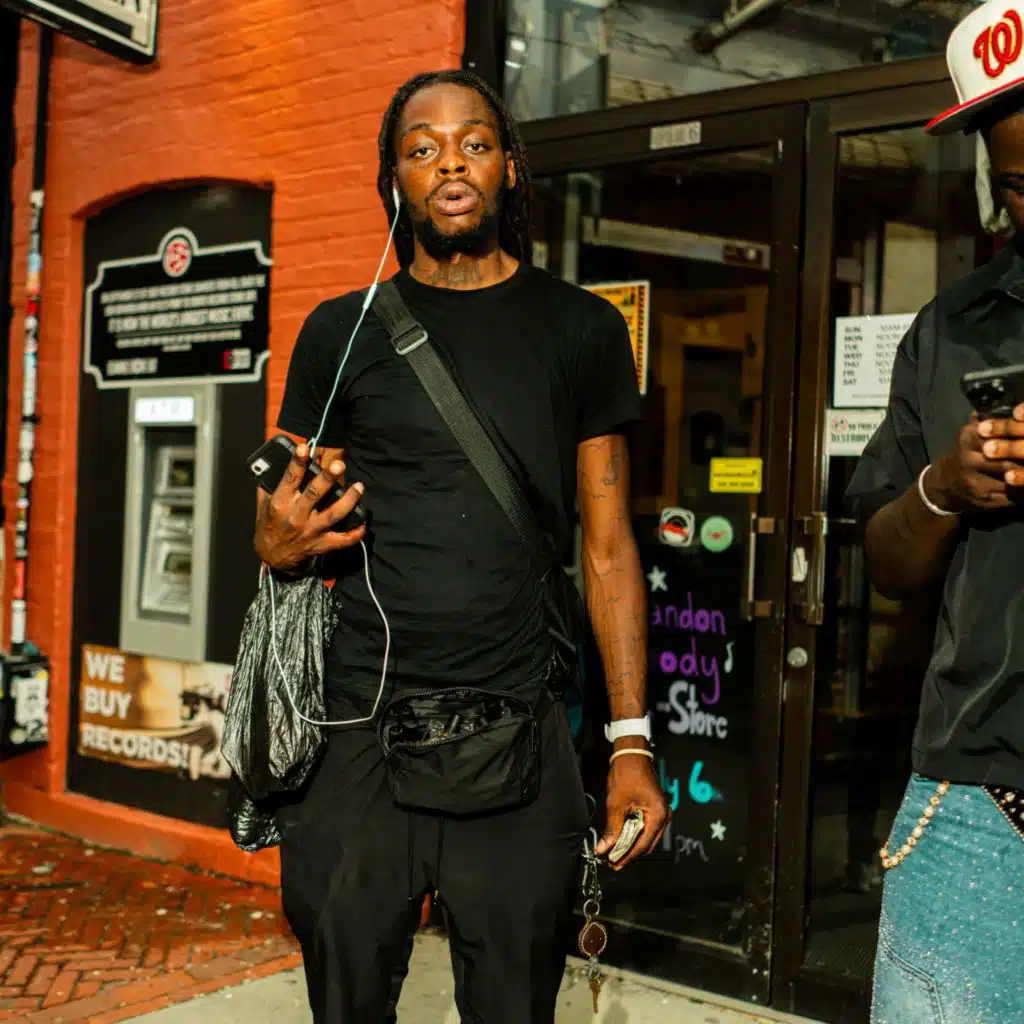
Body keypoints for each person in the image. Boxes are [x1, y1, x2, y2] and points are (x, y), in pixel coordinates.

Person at [252, 69, 669, 1023]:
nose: (451, 164)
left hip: (521, 730)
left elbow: (608, 548)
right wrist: (276, 542)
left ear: (509, 168)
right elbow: (282, 519)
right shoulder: (340, 332)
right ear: (393, 177)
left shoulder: (583, 329)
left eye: (475, 144)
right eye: (423, 148)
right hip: (356, 738)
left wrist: (630, 741)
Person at [846, 3, 1024, 1020]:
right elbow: (886, 558)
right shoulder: (951, 329)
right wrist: (944, 489)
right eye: (1020, 182)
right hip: (973, 803)